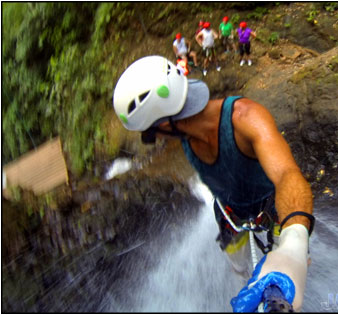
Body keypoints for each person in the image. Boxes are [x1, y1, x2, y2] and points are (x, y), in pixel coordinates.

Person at [113, 56, 314, 312]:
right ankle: (249, 279)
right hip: (230, 213)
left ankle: (285, 267)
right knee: (239, 264)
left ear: (165, 124)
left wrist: (294, 242)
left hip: (274, 207)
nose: (156, 140)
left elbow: (288, 174)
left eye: (151, 134)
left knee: (289, 258)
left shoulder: (245, 119)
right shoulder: (186, 133)